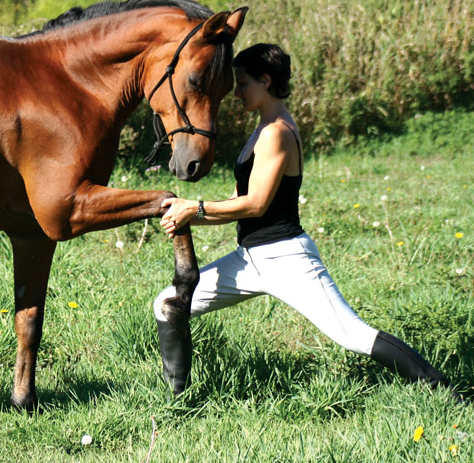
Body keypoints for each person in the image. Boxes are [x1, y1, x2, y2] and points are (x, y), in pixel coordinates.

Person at [154, 43, 457, 397]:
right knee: (167, 304)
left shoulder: (277, 132)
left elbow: (256, 204)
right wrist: (188, 217)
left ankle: (444, 390)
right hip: (249, 258)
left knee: (352, 335)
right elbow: (240, 199)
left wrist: (197, 207)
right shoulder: (261, 130)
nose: (235, 92)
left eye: (242, 83)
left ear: (265, 80)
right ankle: (178, 398)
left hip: (285, 257)